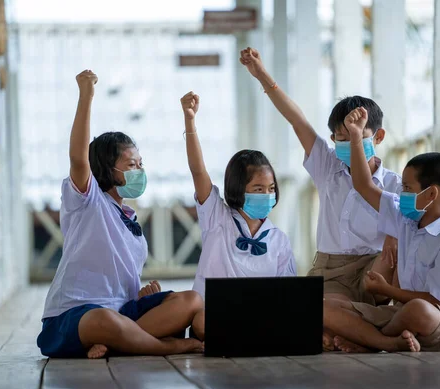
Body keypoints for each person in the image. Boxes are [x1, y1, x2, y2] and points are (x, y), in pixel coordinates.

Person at [240, 48, 401, 350]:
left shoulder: (395, 183)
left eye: (356, 135)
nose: (347, 142)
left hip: (375, 272)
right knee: (319, 308)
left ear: (378, 137)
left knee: (397, 240)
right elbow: (296, 119)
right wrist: (261, 73)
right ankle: (363, 333)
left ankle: (356, 331)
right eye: (341, 137)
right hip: (334, 273)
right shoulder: (327, 167)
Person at [37, 70, 204, 359]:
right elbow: (78, 157)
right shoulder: (87, 201)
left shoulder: (128, 217)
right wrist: (86, 95)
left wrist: (141, 296)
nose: (139, 170)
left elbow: (120, 282)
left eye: (141, 163)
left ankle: (120, 343)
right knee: (104, 320)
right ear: (106, 168)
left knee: (190, 300)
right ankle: (166, 347)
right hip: (75, 315)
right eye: (131, 164)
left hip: (122, 312)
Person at [323, 107, 440, 353]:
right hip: (398, 314)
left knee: (418, 310)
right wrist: (356, 137)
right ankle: (386, 341)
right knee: (325, 307)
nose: (400, 193)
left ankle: (368, 342)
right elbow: (363, 185)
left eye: (406, 187)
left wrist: (386, 290)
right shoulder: (405, 218)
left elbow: (436, 302)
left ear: (431, 194)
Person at [180, 91, 296, 299]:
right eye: (258, 189)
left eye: (271, 189)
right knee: (200, 321)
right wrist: (190, 121)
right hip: (213, 316)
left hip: (259, 321)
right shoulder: (217, 217)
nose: (267, 195)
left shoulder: (280, 241)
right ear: (238, 188)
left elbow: (287, 295)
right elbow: (198, 171)